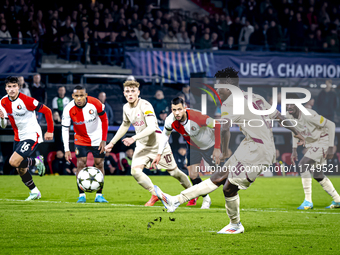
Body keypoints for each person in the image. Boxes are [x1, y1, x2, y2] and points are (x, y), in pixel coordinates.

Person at [154, 67, 305, 234]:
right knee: (217, 177)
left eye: (219, 86)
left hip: (259, 151)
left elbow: (224, 127)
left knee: (228, 188)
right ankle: (176, 200)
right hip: (250, 144)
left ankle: (235, 225)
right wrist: (299, 133)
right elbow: (280, 117)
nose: (217, 90)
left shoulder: (230, 103)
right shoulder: (256, 97)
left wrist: (223, 149)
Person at [104, 80, 193, 207]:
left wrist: (133, 138)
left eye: (133, 91)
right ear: (124, 93)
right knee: (135, 172)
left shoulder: (145, 105)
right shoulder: (125, 108)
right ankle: (155, 194)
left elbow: (151, 127)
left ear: (138, 92)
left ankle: (191, 193)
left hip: (157, 144)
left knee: (174, 173)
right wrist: (112, 143)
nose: (130, 94)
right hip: (142, 145)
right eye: (127, 91)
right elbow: (125, 124)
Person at [151, 97, 221, 209]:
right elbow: (165, 135)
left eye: (179, 109)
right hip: (193, 146)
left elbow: (217, 124)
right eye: (174, 110)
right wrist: (159, 154)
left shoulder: (197, 117)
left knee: (222, 175)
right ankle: (206, 199)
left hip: (210, 146)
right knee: (193, 175)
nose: (177, 113)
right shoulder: (170, 120)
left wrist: (217, 148)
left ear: (185, 108)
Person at [0, 76, 54, 200]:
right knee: (21, 169)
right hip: (18, 137)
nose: (12, 89)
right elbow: (3, 126)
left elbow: (47, 111)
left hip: (31, 135)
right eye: (9, 87)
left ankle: (36, 161)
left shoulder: (26, 100)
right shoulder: (2, 102)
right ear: (5, 88)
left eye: (14, 86)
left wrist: (50, 131)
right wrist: (2, 118)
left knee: (13, 162)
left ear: (18, 87)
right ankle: (35, 192)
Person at [287, 93, 340, 210]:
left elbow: (331, 125)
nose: (289, 106)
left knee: (303, 165)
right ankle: (337, 199)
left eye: (292, 104)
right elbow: (294, 131)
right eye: (287, 104)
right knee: (317, 175)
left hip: (323, 140)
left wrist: (330, 147)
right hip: (314, 143)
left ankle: (308, 201)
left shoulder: (308, 115)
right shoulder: (289, 116)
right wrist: (294, 150)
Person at [62, 85, 109, 203]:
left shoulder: (96, 103)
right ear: (72, 96)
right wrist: (66, 149)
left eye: (81, 95)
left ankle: (99, 195)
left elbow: (105, 120)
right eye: (76, 96)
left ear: (86, 95)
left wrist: (104, 140)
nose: (79, 98)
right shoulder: (68, 108)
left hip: (97, 139)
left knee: (99, 164)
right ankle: (81, 195)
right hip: (80, 139)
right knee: (80, 165)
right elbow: (65, 129)